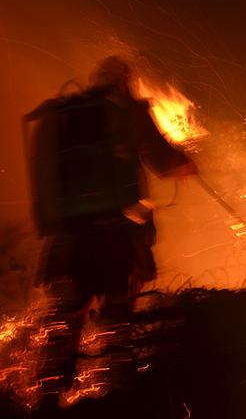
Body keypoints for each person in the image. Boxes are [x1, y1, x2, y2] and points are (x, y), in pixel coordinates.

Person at [24, 56, 196, 409]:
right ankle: (115, 399)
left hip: (66, 238)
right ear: (125, 82)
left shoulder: (64, 115)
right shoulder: (127, 111)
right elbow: (163, 162)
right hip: (115, 237)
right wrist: (186, 162)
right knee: (116, 318)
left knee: (63, 320)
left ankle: (47, 396)